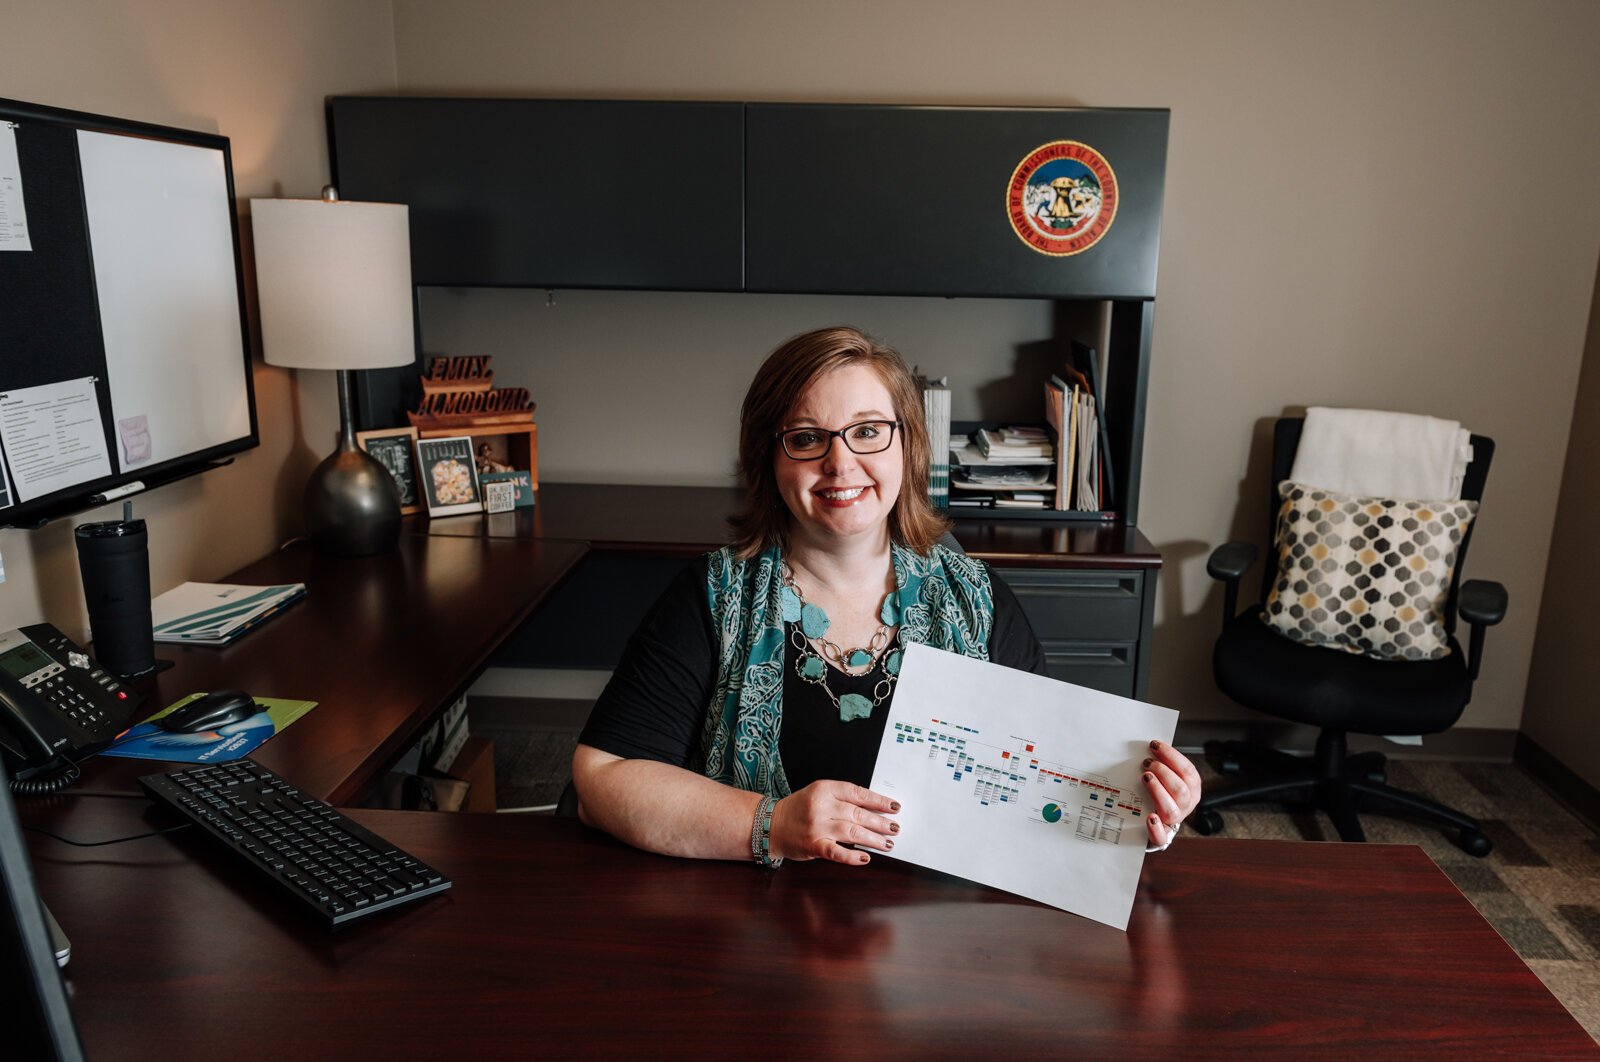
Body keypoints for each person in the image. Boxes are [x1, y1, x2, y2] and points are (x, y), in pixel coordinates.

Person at [572, 326, 1200, 867]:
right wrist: (771, 824)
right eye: (806, 437)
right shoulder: (712, 596)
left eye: (867, 431)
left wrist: (1140, 808)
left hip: (939, 949)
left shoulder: (976, 601)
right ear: (768, 461)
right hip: (749, 934)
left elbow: (1045, 789)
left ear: (907, 444)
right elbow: (602, 781)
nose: (840, 464)